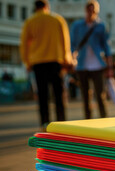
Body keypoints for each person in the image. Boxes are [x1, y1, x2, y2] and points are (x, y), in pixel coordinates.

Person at [20, 0, 72, 130]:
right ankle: (62, 122)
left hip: (38, 63)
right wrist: (67, 59)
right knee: (58, 94)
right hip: (55, 61)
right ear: (47, 7)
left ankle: (45, 123)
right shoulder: (58, 20)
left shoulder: (30, 22)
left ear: (35, 7)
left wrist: (27, 62)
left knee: (43, 95)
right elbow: (65, 41)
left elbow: (24, 44)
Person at [70, 0, 113, 119]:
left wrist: (109, 67)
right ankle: (88, 121)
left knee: (100, 95)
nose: (91, 12)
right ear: (85, 10)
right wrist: (71, 59)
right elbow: (72, 44)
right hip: (81, 65)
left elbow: (107, 47)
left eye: (93, 10)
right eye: (89, 9)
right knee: (85, 96)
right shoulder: (77, 26)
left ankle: (104, 120)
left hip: (98, 65)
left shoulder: (101, 26)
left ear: (96, 11)